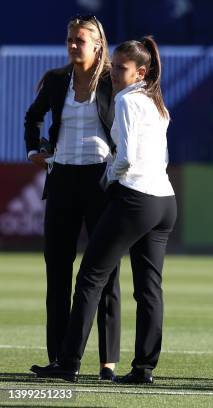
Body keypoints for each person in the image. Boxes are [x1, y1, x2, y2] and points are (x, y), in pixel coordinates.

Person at [30, 36, 177, 384]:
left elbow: (124, 157)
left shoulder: (126, 99)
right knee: (149, 288)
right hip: (165, 200)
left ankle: (68, 363)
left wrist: (108, 179)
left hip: (136, 198)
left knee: (90, 277)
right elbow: (163, 156)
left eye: (120, 68)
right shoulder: (157, 101)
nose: (112, 72)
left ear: (140, 72)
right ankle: (143, 368)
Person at [23, 15, 120, 380]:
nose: (73, 45)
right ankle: (59, 359)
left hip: (100, 180)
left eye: (80, 40)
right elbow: (33, 118)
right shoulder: (56, 80)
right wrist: (35, 149)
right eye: (70, 39)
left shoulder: (113, 79)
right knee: (58, 271)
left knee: (106, 273)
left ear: (98, 44)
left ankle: (107, 361)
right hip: (62, 178)